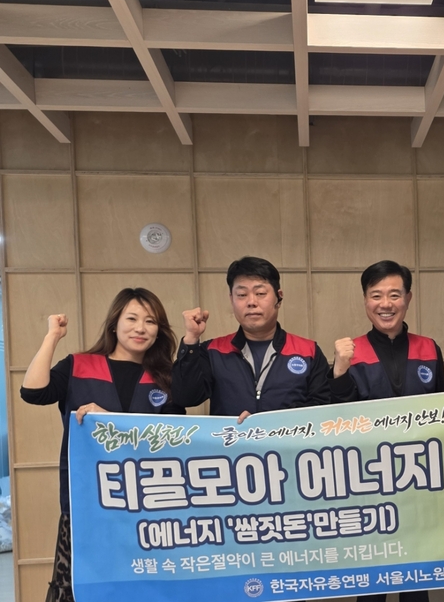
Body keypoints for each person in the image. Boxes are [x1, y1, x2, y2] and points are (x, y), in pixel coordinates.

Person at [20, 288, 184, 602]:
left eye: (150, 321)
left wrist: (111, 420)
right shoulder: (79, 365)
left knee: (142, 587)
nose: (140, 328)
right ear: (114, 324)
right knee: (77, 588)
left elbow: (173, 436)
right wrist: (53, 336)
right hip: (87, 504)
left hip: (146, 507)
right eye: (132, 319)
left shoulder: (165, 377)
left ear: (159, 330)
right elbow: (33, 392)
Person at [330, 260, 444, 602]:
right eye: (376, 295)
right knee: (372, 583)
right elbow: (336, 418)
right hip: (367, 484)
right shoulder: (349, 352)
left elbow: (443, 414)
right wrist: (338, 371)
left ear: (408, 298)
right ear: (365, 300)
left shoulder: (429, 348)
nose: (386, 304)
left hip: (418, 482)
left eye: (394, 295)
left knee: (416, 581)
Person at [172, 256, 330, 417]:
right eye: (242, 294)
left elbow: (324, 405)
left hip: (287, 434)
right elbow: (186, 398)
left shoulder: (308, 351)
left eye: (260, 293)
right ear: (231, 299)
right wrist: (191, 340)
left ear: (279, 297)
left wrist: (269, 422)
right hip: (231, 434)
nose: (251, 302)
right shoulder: (212, 351)